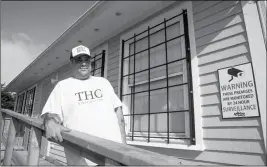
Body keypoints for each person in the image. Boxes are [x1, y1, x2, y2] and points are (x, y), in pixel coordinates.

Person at [40, 45, 127, 166]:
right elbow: (50, 114)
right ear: (71, 62)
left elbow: (119, 117)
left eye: (86, 59)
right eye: (79, 60)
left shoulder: (103, 82)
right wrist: (49, 122)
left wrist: (125, 149)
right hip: (83, 160)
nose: (84, 63)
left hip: (114, 156)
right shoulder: (63, 86)